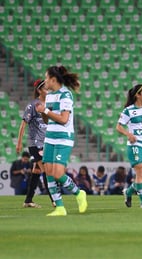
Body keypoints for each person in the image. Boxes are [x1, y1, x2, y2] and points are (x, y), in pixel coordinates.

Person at [34, 65, 87, 216]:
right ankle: (59, 207)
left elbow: (64, 120)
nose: (45, 81)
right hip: (50, 136)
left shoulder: (66, 95)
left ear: (53, 79)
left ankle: (79, 193)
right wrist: (43, 110)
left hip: (64, 137)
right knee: (49, 172)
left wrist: (45, 110)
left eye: (46, 78)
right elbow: (47, 119)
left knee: (58, 173)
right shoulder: (49, 95)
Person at [16, 79, 54, 208]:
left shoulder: (48, 105)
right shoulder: (32, 105)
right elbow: (23, 124)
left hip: (46, 143)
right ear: (39, 90)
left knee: (37, 170)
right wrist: (19, 142)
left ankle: (28, 200)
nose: (48, 91)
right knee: (47, 170)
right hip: (35, 144)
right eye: (45, 89)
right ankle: (55, 200)